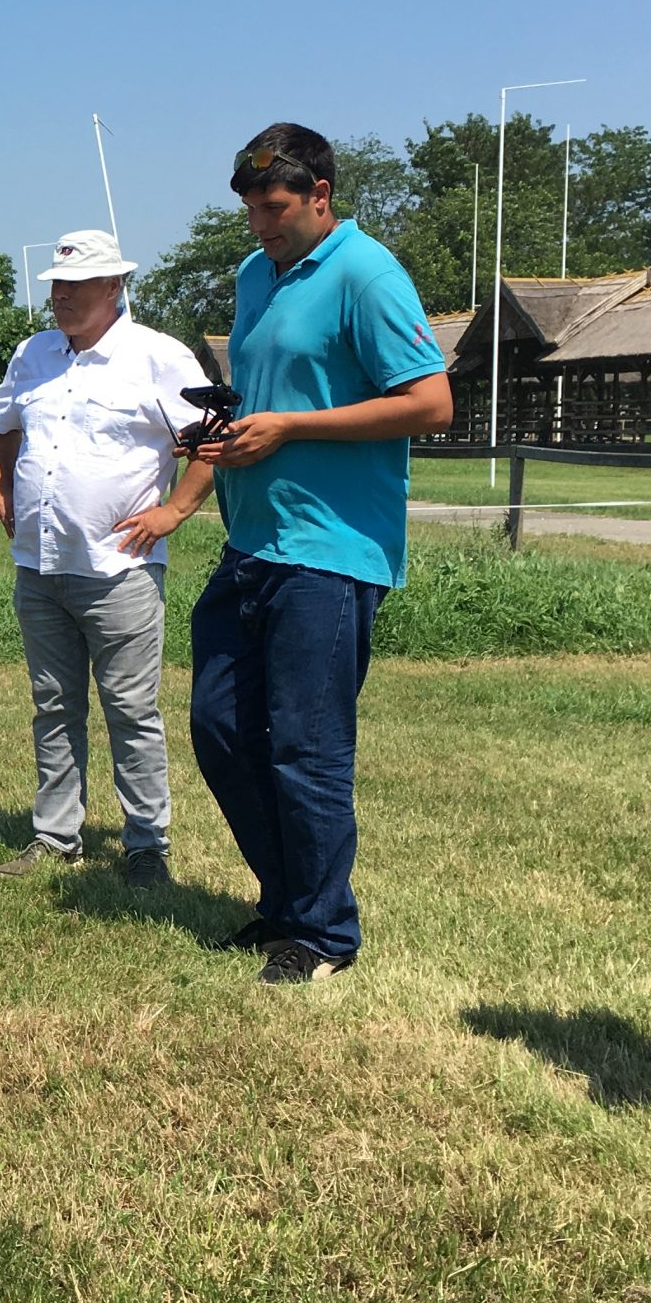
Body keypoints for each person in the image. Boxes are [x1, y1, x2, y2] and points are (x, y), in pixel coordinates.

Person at [185, 124, 452, 985]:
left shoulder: (366, 274)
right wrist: (228, 427)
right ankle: (287, 902)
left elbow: (431, 403)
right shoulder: (254, 275)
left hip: (331, 550)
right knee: (221, 728)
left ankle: (325, 934)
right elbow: (274, 394)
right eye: (253, 212)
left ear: (322, 194)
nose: (261, 227)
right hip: (252, 538)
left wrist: (292, 427)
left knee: (306, 744)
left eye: (275, 209)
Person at [0, 229, 213, 885]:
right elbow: (0, 423)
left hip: (121, 569)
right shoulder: (33, 355)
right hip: (40, 565)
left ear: (114, 287)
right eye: (56, 286)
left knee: (131, 709)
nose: (60, 298)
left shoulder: (157, 358)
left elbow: (212, 441)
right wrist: (0, 487)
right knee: (53, 704)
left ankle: (147, 843)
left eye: (75, 287)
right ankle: (56, 837)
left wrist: (173, 512)